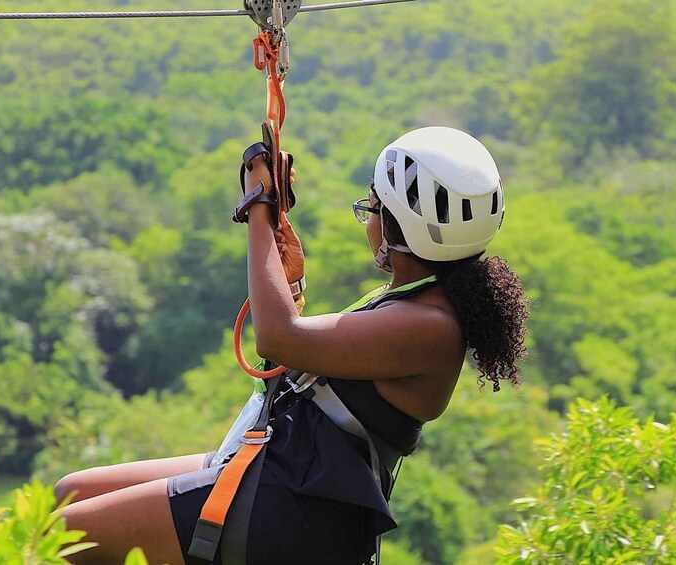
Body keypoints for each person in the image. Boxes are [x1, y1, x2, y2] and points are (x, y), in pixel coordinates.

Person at [54, 126, 529, 564]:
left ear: (396, 225)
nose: (367, 220)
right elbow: (305, 356)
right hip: (287, 471)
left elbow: (279, 337)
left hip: (294, 504)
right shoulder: (419, 300)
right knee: (69, 493)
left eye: (370, 209)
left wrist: (258, 207)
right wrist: (291, 285)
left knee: (59, 535)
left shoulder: (429, 325)